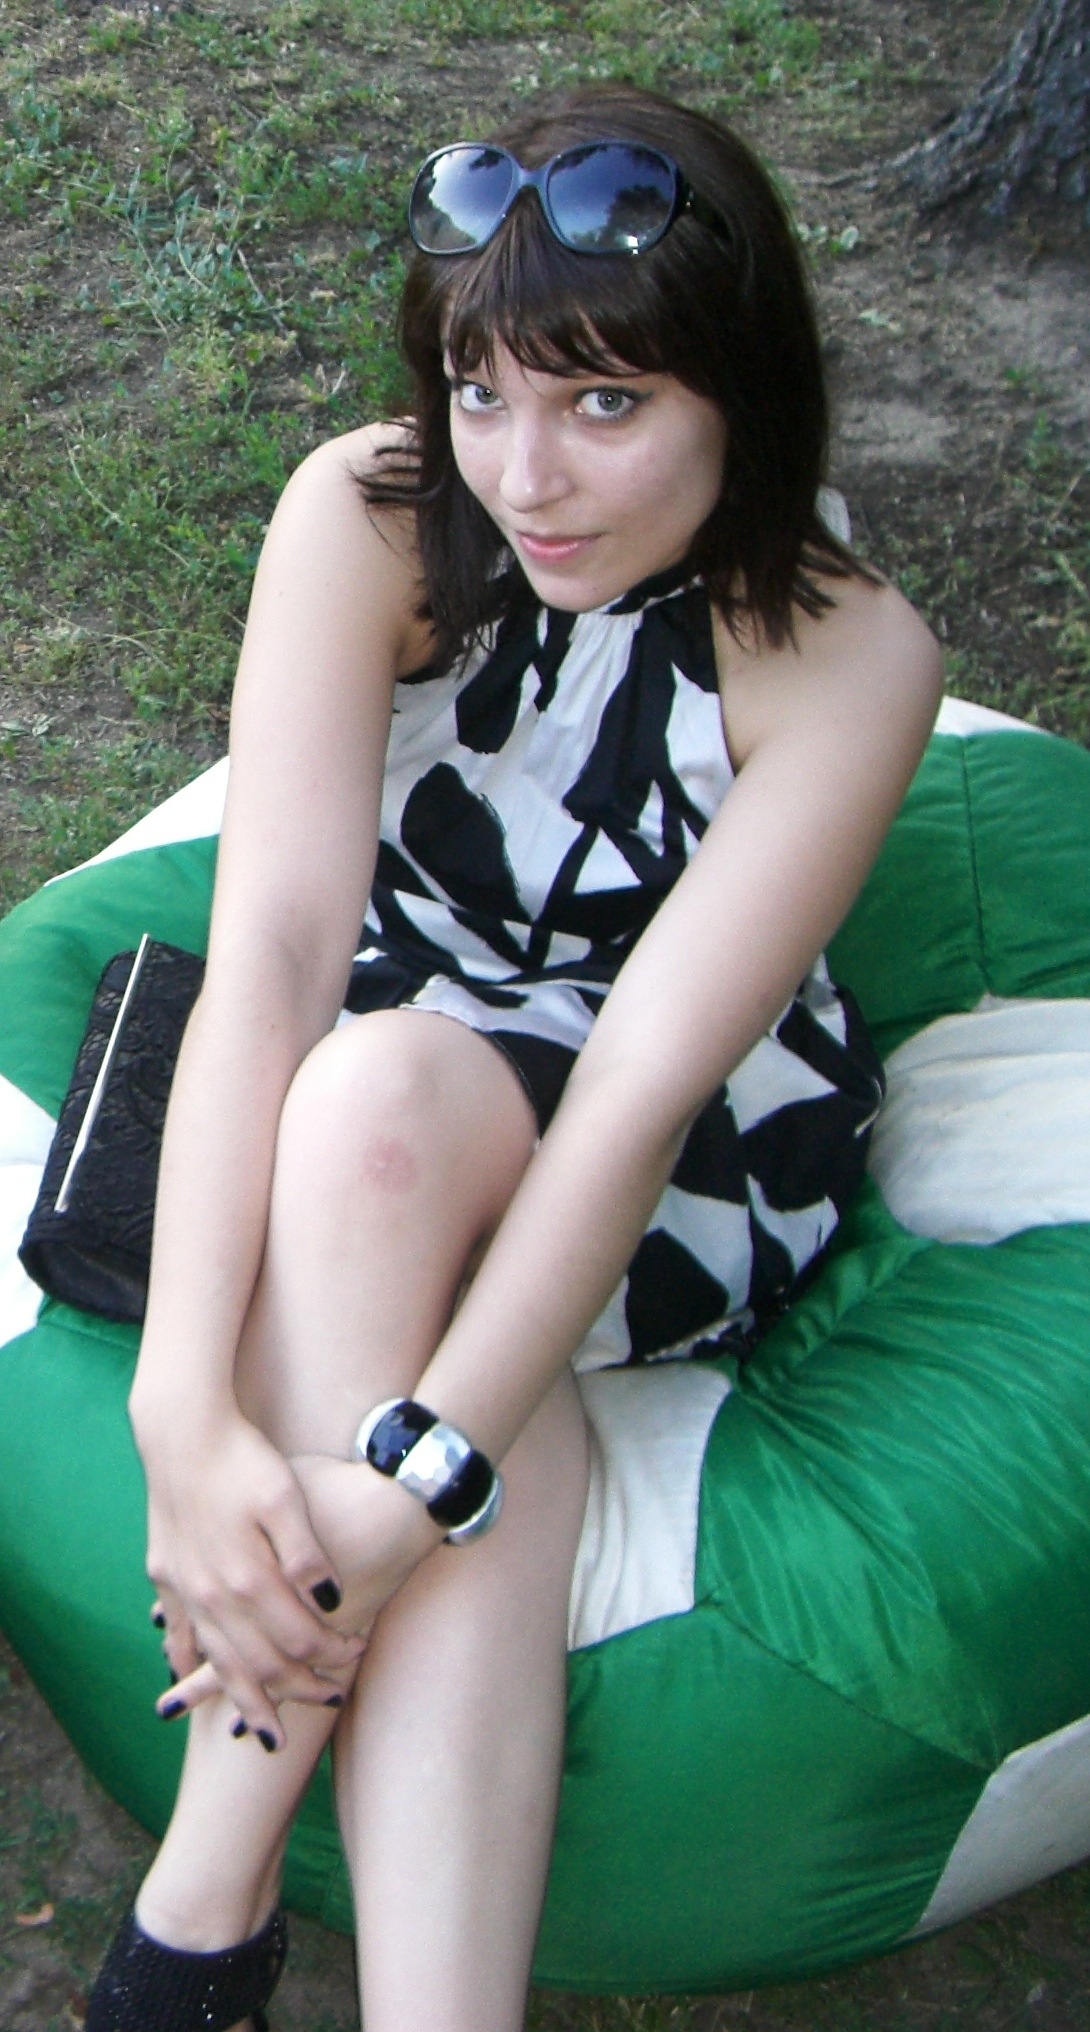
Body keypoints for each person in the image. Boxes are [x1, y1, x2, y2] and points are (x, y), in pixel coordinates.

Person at [86, 81, 942, 2032]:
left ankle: (199, 1903)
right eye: (482, 393)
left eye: (605, 402)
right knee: (375, 1115)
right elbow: (275, 948)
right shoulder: (369, 512)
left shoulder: (843, 651)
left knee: (381, 1134)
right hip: (399, 1025)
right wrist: (180, 1411)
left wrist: (412, 1490)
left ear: (738, 392)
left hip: (690, 1130)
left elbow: (634, 1093)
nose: (526, 475)